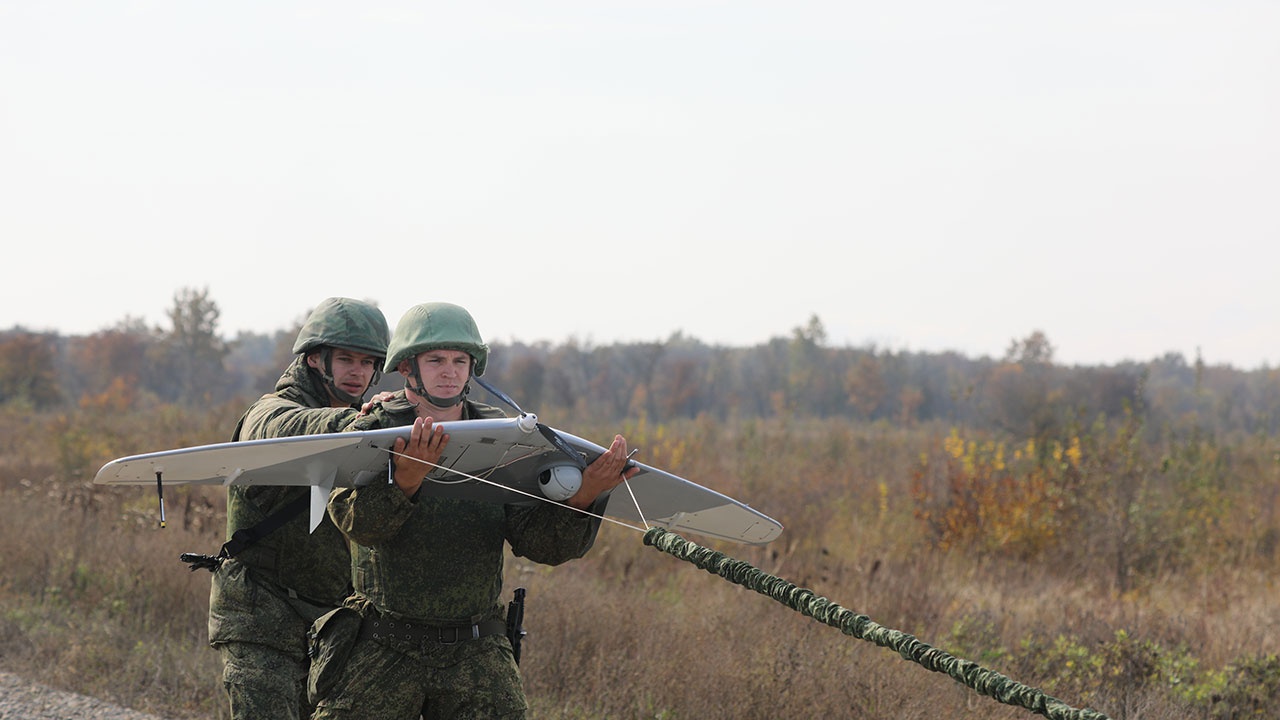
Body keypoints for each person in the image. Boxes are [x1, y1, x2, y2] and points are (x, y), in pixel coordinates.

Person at [310, 301, 638, 720]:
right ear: (408, 368)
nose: (449, 371)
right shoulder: (373, 430)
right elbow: (357, 526)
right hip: (383, 643)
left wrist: (584, 497)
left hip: (476, 648)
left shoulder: (502, 437)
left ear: (472, 368)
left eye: (459, 360)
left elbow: (539, 544)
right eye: (436, 360)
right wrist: (405, 480)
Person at [204, 297, 391, 720]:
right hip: (261, 617)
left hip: (332, 627)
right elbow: (282, 430)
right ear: (313, 359)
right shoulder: (270, 413)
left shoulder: (367, 428)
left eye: (368, 362)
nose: (358, 371)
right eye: (345, 359)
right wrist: (355, 425)